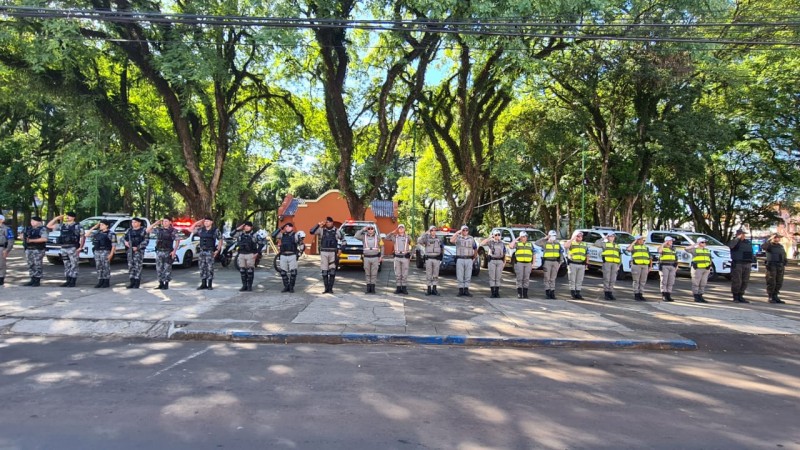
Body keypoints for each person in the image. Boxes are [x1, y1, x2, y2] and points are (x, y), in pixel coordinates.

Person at [47, 212, 85, 288]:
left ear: (73, 217)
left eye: (69, 216)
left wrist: (80, 247)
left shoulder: (77, 226)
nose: (67, 217)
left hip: (73, 247)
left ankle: (73, 281)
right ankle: (68, 280)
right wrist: (57, 218)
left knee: (74, 264)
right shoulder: (62, 225)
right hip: (64, 247)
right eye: (67, 216)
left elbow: (83, 237)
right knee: (66, 264)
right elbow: (49, 225)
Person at [146, 218, 181, 290]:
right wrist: (155, 223)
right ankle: (161, 283)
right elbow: (148, 230)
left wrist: (174, 251)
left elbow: (178, 240)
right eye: (163, 221)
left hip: (168, 251)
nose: (164, 223)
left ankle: (166, 284)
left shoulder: (173, 231)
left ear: (170, 222)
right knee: (159, 268)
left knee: (167, 268)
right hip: (159, 251)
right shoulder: (159, 230)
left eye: (166, 221)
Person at [310, 217, 343, 293]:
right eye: (327, 222)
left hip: (333, 253)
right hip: (324, 252)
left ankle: (330, 289)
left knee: (332, 271)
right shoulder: (322, 230)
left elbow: (343, 240)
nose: (328, 223)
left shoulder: (336, 231)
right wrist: (318, 225)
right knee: (324, 272)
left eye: (330, 222)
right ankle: (326, 288)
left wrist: (340, 249)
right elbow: (311, 231)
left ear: (332, 223)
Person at [192, 217, 223, 290]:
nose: (206, 223)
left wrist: (217, 250)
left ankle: (209, 284)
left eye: (207, 221)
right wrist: (198, 222)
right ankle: (203, 284)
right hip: (202, 251)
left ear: (211, 222)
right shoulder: (201, 230)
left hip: (210, 251)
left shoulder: (215, 230)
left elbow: (220, 239)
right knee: (202, 267)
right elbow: (191, 230)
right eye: (205, 221)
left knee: (210, 268)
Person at [232, 221, 262, 292]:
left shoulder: (254, 235)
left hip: (250, 254)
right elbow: (231, 234)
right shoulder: (240, 234)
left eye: (248, 226)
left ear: (251, 227)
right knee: (242, 270)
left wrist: (257, 253)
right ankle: (244, 285)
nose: (246, 227)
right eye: (245, 226)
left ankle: (249, 286)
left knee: (250, 271)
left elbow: (262, 243)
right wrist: (237, 229)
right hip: (241, 254)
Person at [272, 223, 302, 293]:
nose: (287, 228)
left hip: (292, 255)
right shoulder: (282, 235)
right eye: (286, 227)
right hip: (283, 255)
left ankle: (291, 287)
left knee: (293, 272)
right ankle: (286, 286)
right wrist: (280, 228)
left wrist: (300, 252)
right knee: (283, 272)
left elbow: (301, 243)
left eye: (289, 227)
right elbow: (273, 235)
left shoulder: (295, 235)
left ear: (292, 228)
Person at [20, 216, 48, 287]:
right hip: (29, 248)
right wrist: (23, 237)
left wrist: (31, 240)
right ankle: (32, 279)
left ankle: (37, 280)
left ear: (39, 222)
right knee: (30, 264)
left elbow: (44, 239)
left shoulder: (42, 229)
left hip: (38, 249)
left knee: (37, 264)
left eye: (34, 221)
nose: (32, 222)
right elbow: (21, 236)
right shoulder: (28, 228)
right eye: (31, 221)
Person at [86, 220, 116, 288]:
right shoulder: (97, 233)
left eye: (102, 224)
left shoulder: (111, 233)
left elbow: (114, 245)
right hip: (97, 251)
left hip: (105, 251)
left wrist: (111, 254)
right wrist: (94, 227)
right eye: (100, 224)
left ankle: (106, 281)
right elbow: (86, 235)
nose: (100, 226)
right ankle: (100, 281)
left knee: (105, 267)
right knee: (99, 267)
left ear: (107, 225)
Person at [121, 217, 149, 289]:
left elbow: (146, 241)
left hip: (138, 251)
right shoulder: (129, 230)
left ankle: (137, 283)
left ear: (139, 223)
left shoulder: (143, 230)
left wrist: (138, 247)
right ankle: (132, 282)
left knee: (137, 267)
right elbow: (122, 238)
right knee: (130, 267)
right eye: (132, 222)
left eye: (135, 222)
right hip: (130, 251)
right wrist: (125, 242)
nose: (133, 224)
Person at [450, 225, 477, 297]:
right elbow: (451, 240)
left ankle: (466, 290)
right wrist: (457, 232)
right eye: (463, 230)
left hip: (469, 259)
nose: (465, 231)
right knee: (460, 275)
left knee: (468, 275)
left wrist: (474, 257)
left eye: (466, 230)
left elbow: (475, 248)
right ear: (461, 231)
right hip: (460, 259)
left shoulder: (471, 238)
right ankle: (460, 290)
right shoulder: (458, 238)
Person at [728, 229, 754, 303]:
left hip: (747, 263)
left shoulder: (747, 242)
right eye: (742, 234)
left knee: (745, 281)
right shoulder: (734, 241)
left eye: (744, 234)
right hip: (737, 264)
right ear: (738, 234)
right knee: (737, 281)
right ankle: (735, 296)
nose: (744, 236)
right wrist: (737, 238)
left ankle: (741, 295)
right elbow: (731, 246)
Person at [355, 224, 383, 294]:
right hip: (367, 257)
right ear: (367, 229)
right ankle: (368, 288)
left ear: (374, 229)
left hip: (375, 257)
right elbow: (356, 236)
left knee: (374, 273)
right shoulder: (363, 237)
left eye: (372, 228)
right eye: (369, 229)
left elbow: (382, 247)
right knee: (367, 273)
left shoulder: (378, 237)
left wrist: (381, 256)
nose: (370, 230)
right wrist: (363, 229)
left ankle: (373, 288)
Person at [535, 230, 562, 299]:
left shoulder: (557, 244)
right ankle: (547, 292)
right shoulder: (545, 243)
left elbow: (561, 253)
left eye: (555, 236)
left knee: (553, 278)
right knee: (547, 277)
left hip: (555, 262)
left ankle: (552, 292)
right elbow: (537, 243)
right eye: (552, 236)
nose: (554, 237)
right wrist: (545, 238)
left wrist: (560, 262)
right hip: (547, 262)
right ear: (549, 236)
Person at [386, 224, 413, 295]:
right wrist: (392, 232)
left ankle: (404, 288)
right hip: (397, 257)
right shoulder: (395, 237)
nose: (401, 229)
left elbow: (413, 245)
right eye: (399, 228)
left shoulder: (408, 237)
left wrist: (411, 255)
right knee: (397, 273)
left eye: (402, 228)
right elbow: (386, 237)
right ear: (398, 229)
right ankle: (398, 287)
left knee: (404, 273)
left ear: (404, 229)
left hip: (405, 257)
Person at [480, 230, 507, 298]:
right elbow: (482, 243)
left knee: (498, 277)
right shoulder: (491, 242)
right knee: (492, 277)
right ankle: (492, 292)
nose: (497, 236)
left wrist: (504, 262)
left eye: (498, 234)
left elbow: (504, 253)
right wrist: (490, 237)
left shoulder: (502, 243)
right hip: (492, 261)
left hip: (500, 261)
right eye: (496, 235)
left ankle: (497, 292)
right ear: (493, 235)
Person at [417, 226, 443, 296]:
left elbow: (442, 248)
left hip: (436, 259)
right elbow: (419, 241)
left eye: (434, 230)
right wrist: (425, 233)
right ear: (430, 231)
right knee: (429, 274)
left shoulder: (439, 239)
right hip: (429, 259)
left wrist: (441, 257)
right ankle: (429, 289)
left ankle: (434, 289)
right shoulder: (426, 238)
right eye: (432, 230)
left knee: (436, 274)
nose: (433, 231)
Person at [762, 233, 787, 304]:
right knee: (771, 281)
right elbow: (763, 247)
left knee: (779, 281)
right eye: (776, 237)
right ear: (773, 238)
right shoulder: (769, 245)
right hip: (772, 266)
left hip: (780, 266)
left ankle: (775, 296)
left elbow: (783, 255)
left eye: (779, 238)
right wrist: (769, 239)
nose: (778, 239)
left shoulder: (780, 246)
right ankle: (770, 296)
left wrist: (785, 262)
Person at [563, 230, 588, 300]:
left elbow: (587, 254)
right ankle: (573, 293)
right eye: (578, 236)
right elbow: (566, 246)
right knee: (572, 279)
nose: (580, 237)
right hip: (573, 263)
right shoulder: (571, 243)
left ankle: (578, 292)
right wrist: (572, 239)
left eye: (581, 236)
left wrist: (587, 263)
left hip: (582, 264)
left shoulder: (584, 244)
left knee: (579, 279)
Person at [685, 238, 711, 303]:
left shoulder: (707, 250)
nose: (705, 243)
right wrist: (695, 244)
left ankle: (700, 296)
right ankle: (696, 296)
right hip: (697, 269)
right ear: (699, 243)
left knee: (703, 283)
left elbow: (710, 258)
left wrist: (709, 266)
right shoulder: (695, 250)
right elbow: (686, 249)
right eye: (703, 242)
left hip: (706, 269)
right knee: (696, 283)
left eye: (705, 242)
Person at [627, 235, 651, 301]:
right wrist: (634, 242)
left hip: (645, 265)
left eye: (642, 239)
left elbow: (649, 257)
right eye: (640, 239)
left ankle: (641, 294)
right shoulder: (634, 247)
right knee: (636, 281)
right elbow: (628, 249)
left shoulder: (646, 247)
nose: (642, 240)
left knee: (643, 281)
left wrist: (650, 266)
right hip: (636, 265)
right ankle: (636, 294)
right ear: (637, 240)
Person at [597, 232, 620, 300]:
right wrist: (604, 238)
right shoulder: (605, 244)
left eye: (613, 236)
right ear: (608, 237)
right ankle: (606, 293)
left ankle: (610, 292)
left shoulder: (617, 245)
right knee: (607, 278)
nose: (612, 238)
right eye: (610, 236)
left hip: (615, 264)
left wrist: (619, 265)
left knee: (613, 279)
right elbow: (596, 243)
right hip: (607, 263)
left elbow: (619, 255)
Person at [509, 231, 533, 298]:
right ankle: (519, 293)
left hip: (528, 263)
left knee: (526, 279)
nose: (524, 238)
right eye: (523, 237)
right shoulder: (517, 244)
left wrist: (532, 264)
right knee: (519, 278)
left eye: (525, 236)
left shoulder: (530, 244)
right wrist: (517, 238)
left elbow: (533, 254)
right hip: (519, 263)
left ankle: (525, 294)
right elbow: (510, 246)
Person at [658, 236, 678, 302]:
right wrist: (664, 244)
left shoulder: (673, 249)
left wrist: (676, 266)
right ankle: (664, 295)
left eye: (672, 241)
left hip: (672, 266)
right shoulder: (662, 247)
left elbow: (675, 258)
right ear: (666, 241)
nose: (671, 242)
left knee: (671, 281)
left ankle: (668, 295)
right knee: (664, 281)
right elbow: (659, 251)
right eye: (670, 241)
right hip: (664, 266)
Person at [0, 215, 14, 286]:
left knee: (1, 264)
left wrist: (7, 250)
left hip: (1, 248)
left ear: (2, 220)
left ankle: (1, 278)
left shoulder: (6, 229)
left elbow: (10, 240)